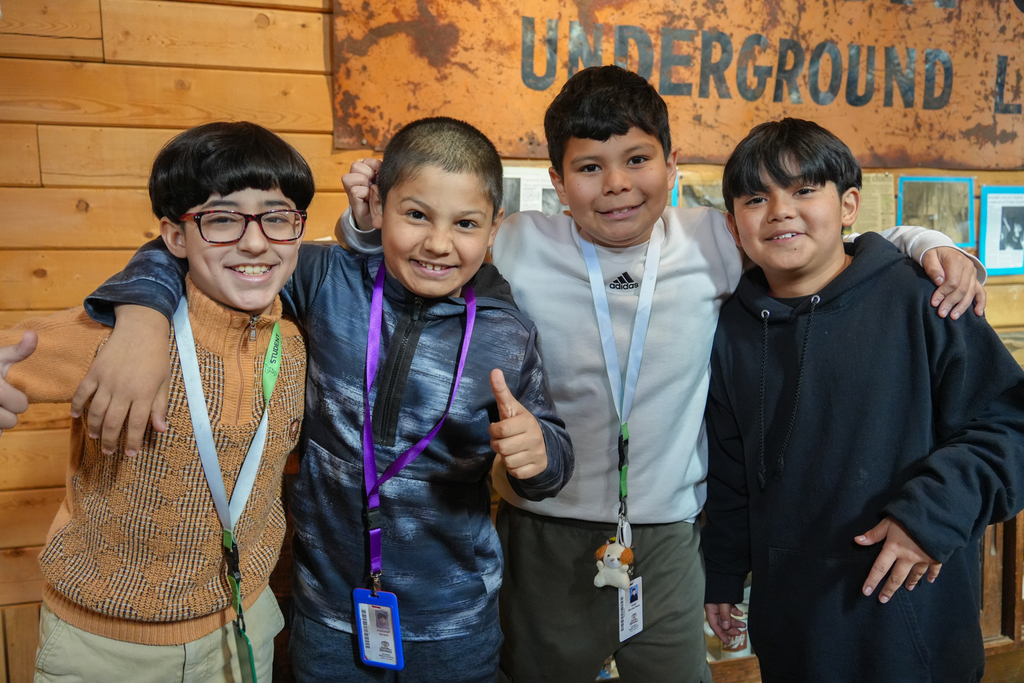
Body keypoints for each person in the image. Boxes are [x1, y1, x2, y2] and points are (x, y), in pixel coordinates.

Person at [338, 67, 988, 682]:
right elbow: (420, 258)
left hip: (673, 532)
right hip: (542, 523)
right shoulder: (516, 242)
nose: (616, 184)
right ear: (558, 181)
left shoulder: (714, 238)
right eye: (589, 168)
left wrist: (928, 243)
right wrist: (365, 222)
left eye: (637, 160)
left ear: (671, 165)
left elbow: (815, 240)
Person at [70, 116, 574, 683]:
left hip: (456, 622)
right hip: (329, 614)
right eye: (416, 215)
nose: (438, 243)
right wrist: (142, 320)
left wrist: (540, 454)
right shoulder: (326, 278)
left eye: (466, 223)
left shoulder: (507, 331)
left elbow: (553, 459)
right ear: (378, 207)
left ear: (494, 226)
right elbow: (188, 251)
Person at [702, 118, 1024, 683]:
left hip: (914, 616)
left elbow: (1009, 427)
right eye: (755, 199)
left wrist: (930, 517)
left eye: (804, 190)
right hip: (794, 629)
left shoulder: (923, 299)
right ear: (733, 226)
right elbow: (731, 470)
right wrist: (725, 573)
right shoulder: (731, 328)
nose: (779, 211)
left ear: (849, 205)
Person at [0, 121, 313, 682]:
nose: (255, 242)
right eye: (222, 219)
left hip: (244, 627)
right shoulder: (114, 340)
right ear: (175, 237)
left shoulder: (293, 343)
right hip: (105, 648)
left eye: (276, 217)